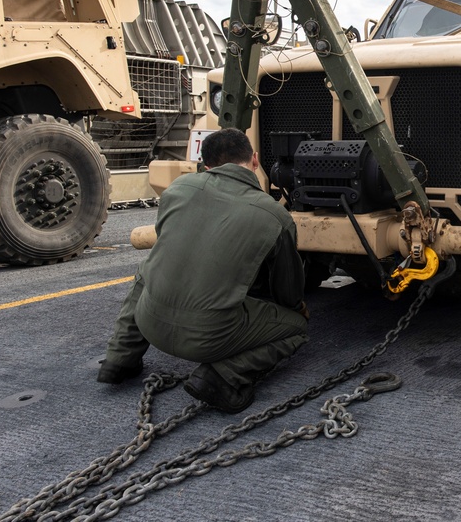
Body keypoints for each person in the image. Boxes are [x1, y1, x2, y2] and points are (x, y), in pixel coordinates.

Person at [98, 128, 309, 413]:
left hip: (149, 322)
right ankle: (222, 377)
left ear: (205, 165)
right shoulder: (274, 215)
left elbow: (170, 246)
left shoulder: (177, 189)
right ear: (255, 160)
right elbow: (287, 291)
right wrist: (293, 308)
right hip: (208, 343)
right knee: (295, 328)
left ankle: (119, 359)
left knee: (147, 269)